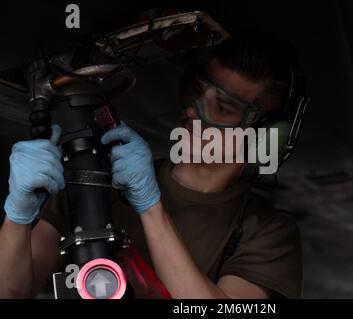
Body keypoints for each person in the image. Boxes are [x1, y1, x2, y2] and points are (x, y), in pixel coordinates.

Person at [0, 31, 303, 299]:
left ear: (263, 136)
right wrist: (17, 216)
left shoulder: (266, 232)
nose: (192, 112)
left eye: (221, 108)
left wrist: (150, 207)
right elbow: (10, 291)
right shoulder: (95, 183)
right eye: (197, 93)